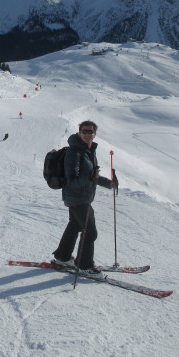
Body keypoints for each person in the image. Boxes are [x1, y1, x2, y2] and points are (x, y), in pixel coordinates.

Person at [51, 120, 117, 279]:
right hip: (76, 198)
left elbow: (92, 176)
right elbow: (72, 179)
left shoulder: (89, 150)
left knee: (75, 225)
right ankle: (85, 266)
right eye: (85, 131)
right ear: (79, 133)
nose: (88, 134)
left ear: (95, 134)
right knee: (90, 231)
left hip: (82, 197)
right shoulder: (74, 152)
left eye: (90, 132)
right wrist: (89, 178)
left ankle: (62, 257)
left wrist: (110, 183)